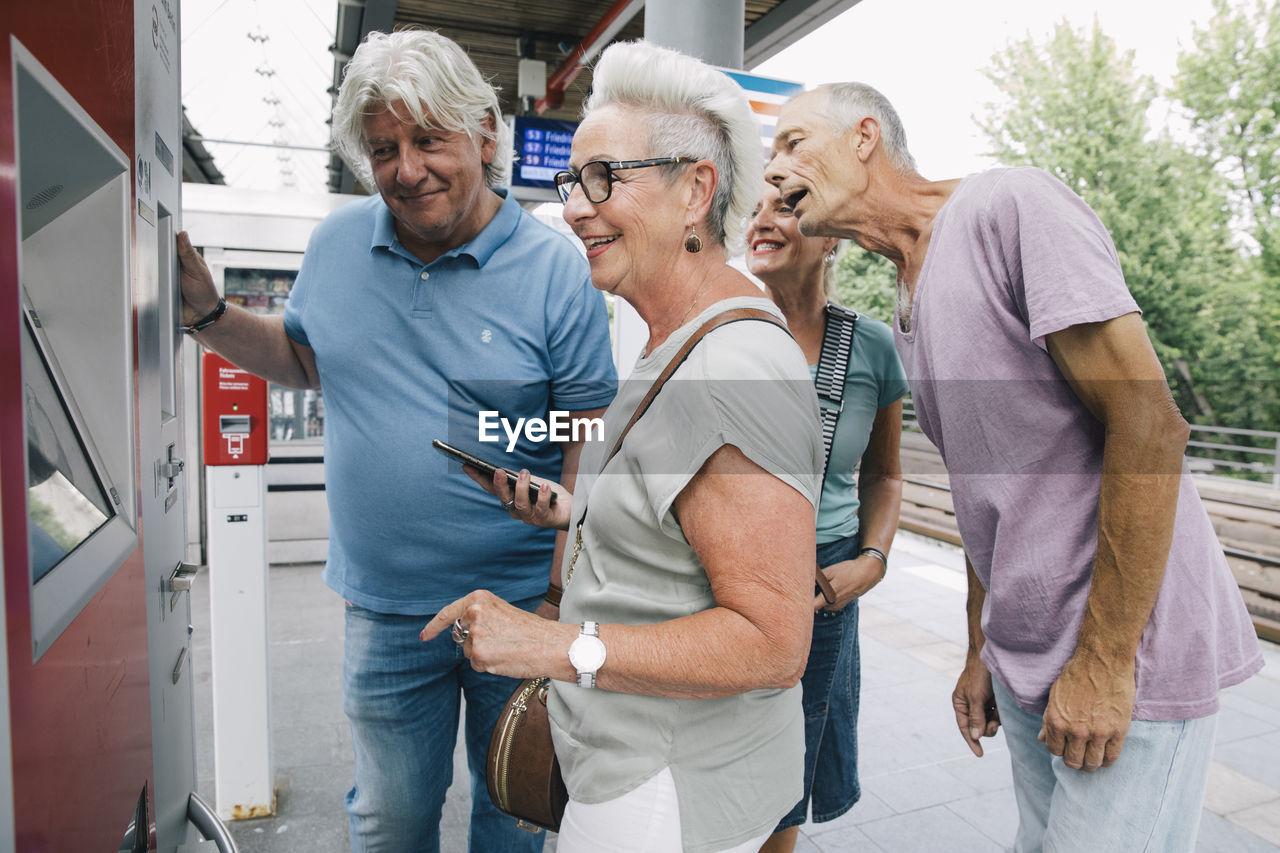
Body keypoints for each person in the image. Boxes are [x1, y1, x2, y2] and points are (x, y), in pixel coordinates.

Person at [764, 82, 1264, 852]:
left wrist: (1104, 660)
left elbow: (1150, 422)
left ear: (864, 137)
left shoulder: (1010, 207)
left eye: (792, 142)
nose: (774, 170)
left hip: (1125, 656)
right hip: (1030, 656)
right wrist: (980, 647)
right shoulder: (906, 296)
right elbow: (983, 491)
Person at [176, 29, 617, 853]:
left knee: (516, 816)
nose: (406, 169)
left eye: (428, 140)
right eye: (383, 148)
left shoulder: (556, 268)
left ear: (485, 136)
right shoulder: (336, 246)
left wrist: (561, 588)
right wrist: (210, 318)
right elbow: (306, 357)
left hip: (523, 604)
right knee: (388, 821)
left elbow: (588, 430)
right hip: (384, 610)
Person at [421, 40, 825, 853]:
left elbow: (773, 641)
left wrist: (555, 643)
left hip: (665, 796)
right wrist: (582, 510)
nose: (575, 207)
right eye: (574, 182)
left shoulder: (729, 364)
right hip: (640, 770)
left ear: (695, 190)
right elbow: (683, 524)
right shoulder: (676, 341)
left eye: (605, 178)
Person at [744, 189, 908, 852]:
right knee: (713, 762)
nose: (762, 219)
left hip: (825, 585)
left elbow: (885, 473)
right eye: (754, 208)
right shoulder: (718, 328)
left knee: (787, 774)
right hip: (723, 578)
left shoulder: (868, 347)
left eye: (784, 206)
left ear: (831, 234)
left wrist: (872, 559)